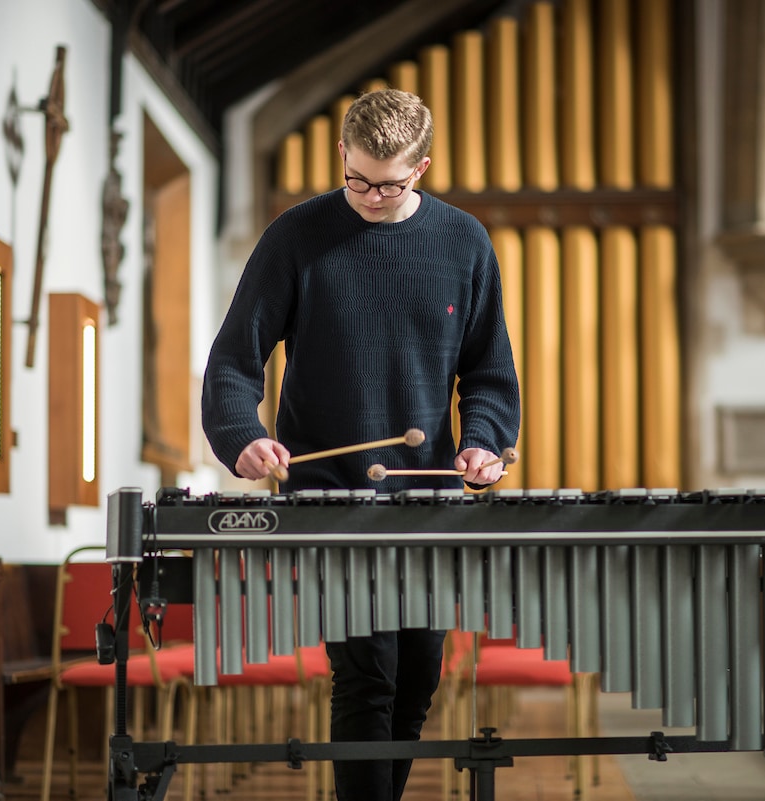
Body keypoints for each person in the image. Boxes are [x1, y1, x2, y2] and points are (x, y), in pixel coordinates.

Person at [201, 88, 521, 801]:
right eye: (358, 178)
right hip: (330, 499)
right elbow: (232, 363)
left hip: (430, 503)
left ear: (424, 167)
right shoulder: (296, 236)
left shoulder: (464, 242)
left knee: (416, 680)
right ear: (340, 154)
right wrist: (243, 435)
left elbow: (491, 373)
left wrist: (485, 443)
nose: (372, 196)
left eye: (391, 182)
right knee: (367, 678)